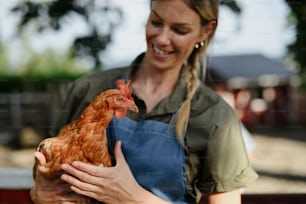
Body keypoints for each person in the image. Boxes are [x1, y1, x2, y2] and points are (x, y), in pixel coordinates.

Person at [30, 0, 258, 203]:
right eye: (156, 22)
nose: (162, 38)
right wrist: (40, 195)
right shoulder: (88, 89)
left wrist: (134, 198)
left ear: (205, 31)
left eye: (179, 30)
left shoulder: (215, 116)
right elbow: (50, 179)